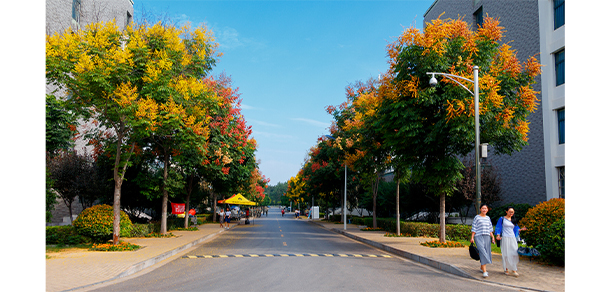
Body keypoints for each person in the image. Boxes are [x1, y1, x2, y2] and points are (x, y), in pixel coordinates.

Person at [495, 206, 527, 277]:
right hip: (505, 238)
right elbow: (498, 227)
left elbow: (516, 229)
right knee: (506, 253)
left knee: (514, 253)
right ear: (506, 211)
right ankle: (506, 269)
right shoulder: (502, 219)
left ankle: (514, 269)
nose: (511, 213)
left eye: (512, 212)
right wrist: (498, 235)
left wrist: (521, 229)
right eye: (510, 212)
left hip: (512, 238)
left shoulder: (513, 220)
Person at [470, 204, 496, 278]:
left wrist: (492, 237)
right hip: (478, 236)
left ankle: (482, 267)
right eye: (483, 208)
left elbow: (490, 228)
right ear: (480, 209)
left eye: (485, 208)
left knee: (486, 251)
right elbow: (474, 228)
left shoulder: (488, 218)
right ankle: (485, 271)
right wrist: (472, 237)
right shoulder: (477, 217)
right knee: (482, 251)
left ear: (487, 210)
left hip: (487, 236)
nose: (484, 210)